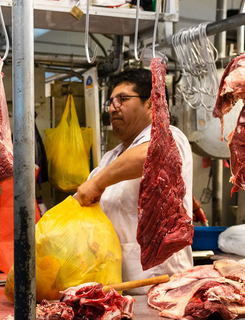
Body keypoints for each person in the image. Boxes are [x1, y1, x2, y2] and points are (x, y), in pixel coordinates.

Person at [74, 68, 193, 295]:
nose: (112, 107)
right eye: (110, 101)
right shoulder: (111, 157)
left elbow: (150, 155)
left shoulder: (170, 136)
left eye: (123, 99)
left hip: (162, 288)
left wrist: (97, 183)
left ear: (151, 103)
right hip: (119, 287)